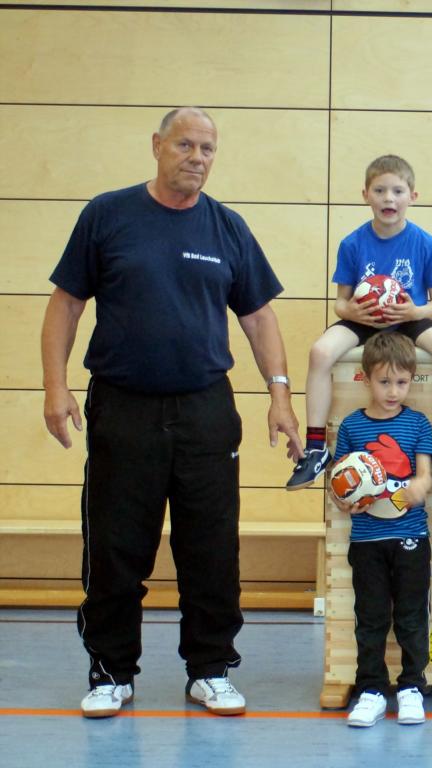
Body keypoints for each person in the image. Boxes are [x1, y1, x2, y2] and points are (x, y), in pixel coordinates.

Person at [40, 107, 303, 718]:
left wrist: (281, 395)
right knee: (115, 547)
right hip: (122, 406)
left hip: (205, 410)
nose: (197, 158)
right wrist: (55, 387)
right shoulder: (107, 215)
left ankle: (210, 670)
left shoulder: (227, 227)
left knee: (211, 549)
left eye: (207, 148)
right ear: (157, 145)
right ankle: (111, 672)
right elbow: (66, 305)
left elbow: (259, 316)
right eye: (185, 145)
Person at [286, 155, 432, 491]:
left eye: (397, 191)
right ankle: (315, 448)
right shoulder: (352, 244)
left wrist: (414, 312)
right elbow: (341, 302)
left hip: (408, 318)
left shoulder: (425, 243)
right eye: (380, 190)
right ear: (365, 194)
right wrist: (352, 313)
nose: (388, 198)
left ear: (412, 196)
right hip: (364, 319)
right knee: (320, 352)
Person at [330, 332, 432, 728]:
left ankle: (411, 688)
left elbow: (424, 478)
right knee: (371, 617)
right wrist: (344, 501)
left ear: (411, 380)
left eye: (401, 382)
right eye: (384, 381)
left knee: (411, 616)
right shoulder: (352, 426)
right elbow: (339, 484)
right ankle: (371, 690)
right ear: (365, 379)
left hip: (411, 538)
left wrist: (415, 490)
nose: (393, 391)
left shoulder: (417, 423)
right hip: (366, 541)